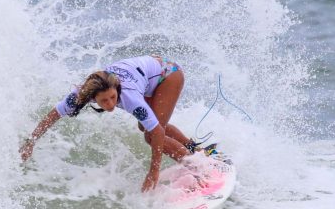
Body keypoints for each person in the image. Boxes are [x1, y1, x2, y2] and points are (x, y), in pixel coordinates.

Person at [19, 55, 201, 192]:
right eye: (104, 101)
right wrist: (31, 141)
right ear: (92, 98)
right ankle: (195, 149)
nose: (111, 104)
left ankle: (197, 167)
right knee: (146, 125)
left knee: (150, 133)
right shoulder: (80, 95)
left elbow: (158, 133)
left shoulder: (129, 96)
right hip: (147, 73)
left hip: (167, 74)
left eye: (113, 98)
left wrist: (153, 172)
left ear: (117, 89)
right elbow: (53, 115)